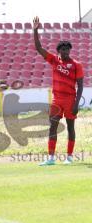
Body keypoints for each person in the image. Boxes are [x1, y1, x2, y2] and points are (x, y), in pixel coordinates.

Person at [33, 16, 84, 165]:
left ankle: (69, 157)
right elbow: (38, 48)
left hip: (70, 100)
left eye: (68, 49)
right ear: (59, 51)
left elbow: (80, 86)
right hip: (56, 100)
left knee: (70, 127)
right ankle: (51, 158)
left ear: (70, 50)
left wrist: (76, 103)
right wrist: (35, 30)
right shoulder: (54, 60)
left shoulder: (76, 65)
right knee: (52, 127)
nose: (66, 51)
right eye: (63, 49)